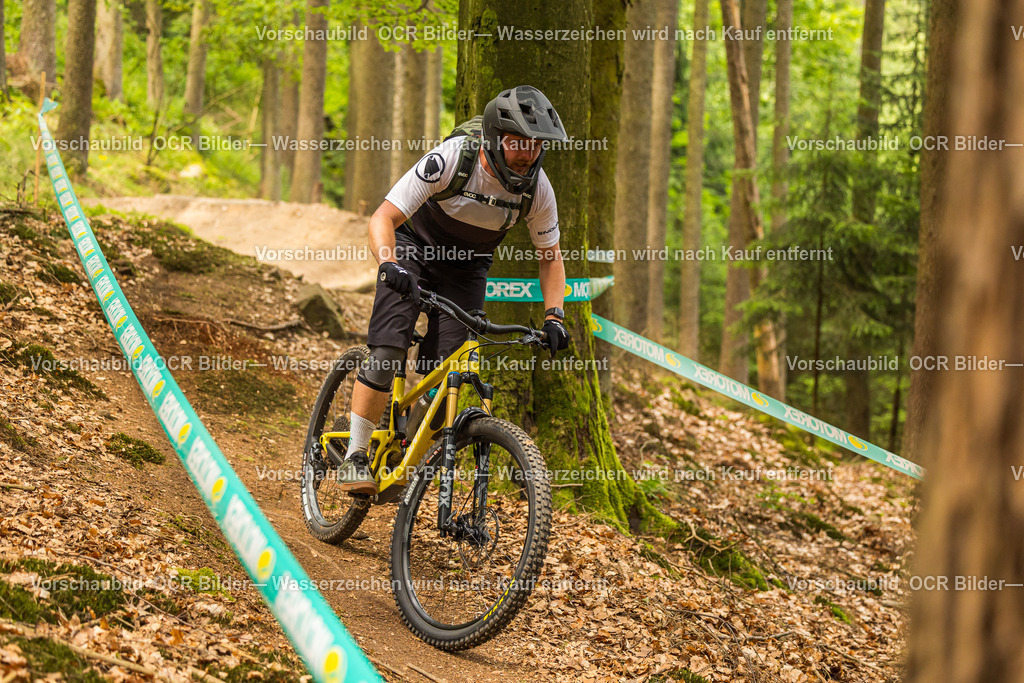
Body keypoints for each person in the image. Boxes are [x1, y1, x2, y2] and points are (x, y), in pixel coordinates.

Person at [336, 85, 571, 494]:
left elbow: (550, 257)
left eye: (536, 146)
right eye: (518, 143)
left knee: (451, 371)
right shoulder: (453, 159)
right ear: (496, 139)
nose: (527, 154)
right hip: (412, 247)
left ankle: (404, 446)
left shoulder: (538, 189)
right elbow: (383, 217)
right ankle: (356, 454)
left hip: (466, 269)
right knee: (390, 349)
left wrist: (555, 316)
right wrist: (389, 263)